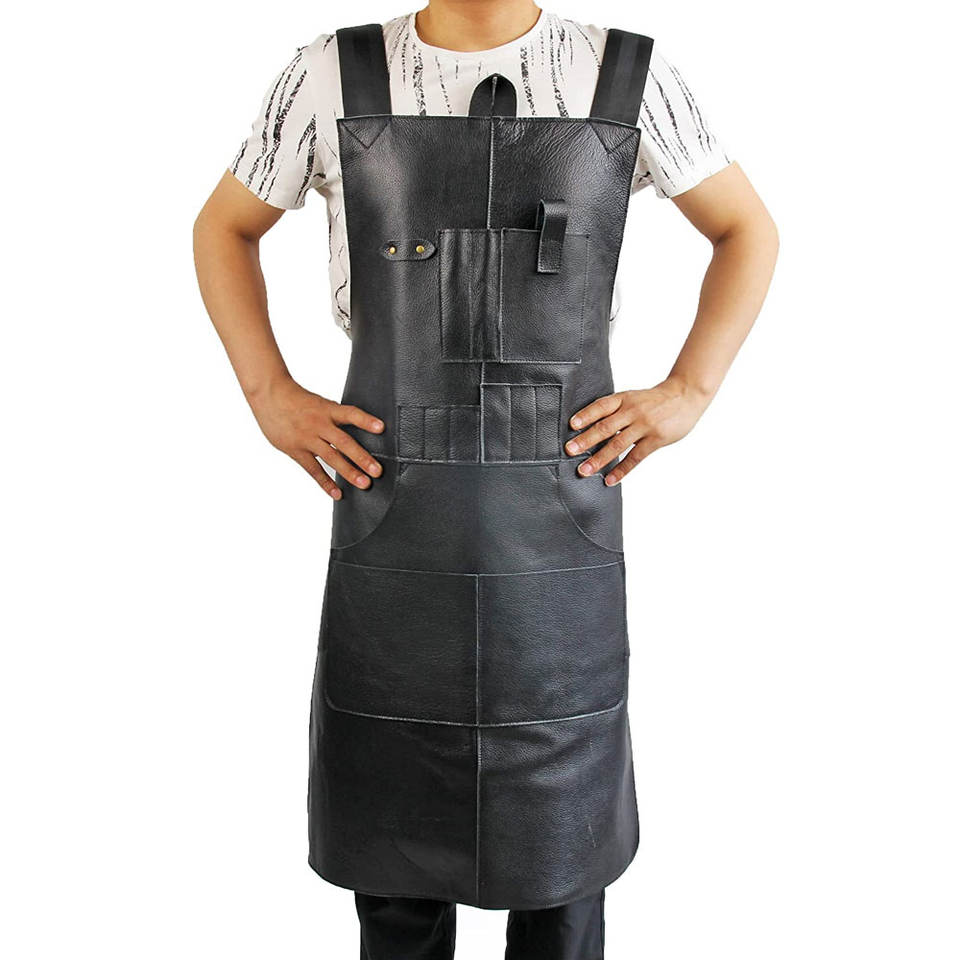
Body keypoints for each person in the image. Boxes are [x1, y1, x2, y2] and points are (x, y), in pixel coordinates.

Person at [193, 3, 778, 957]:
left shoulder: (622, 72)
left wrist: (689, 390)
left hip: (558, 522)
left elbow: (747, 228)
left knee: (562, 875)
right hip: (395, 512)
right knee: (394, 875)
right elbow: (224, 225)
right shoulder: (332, 71)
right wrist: (268, 393)